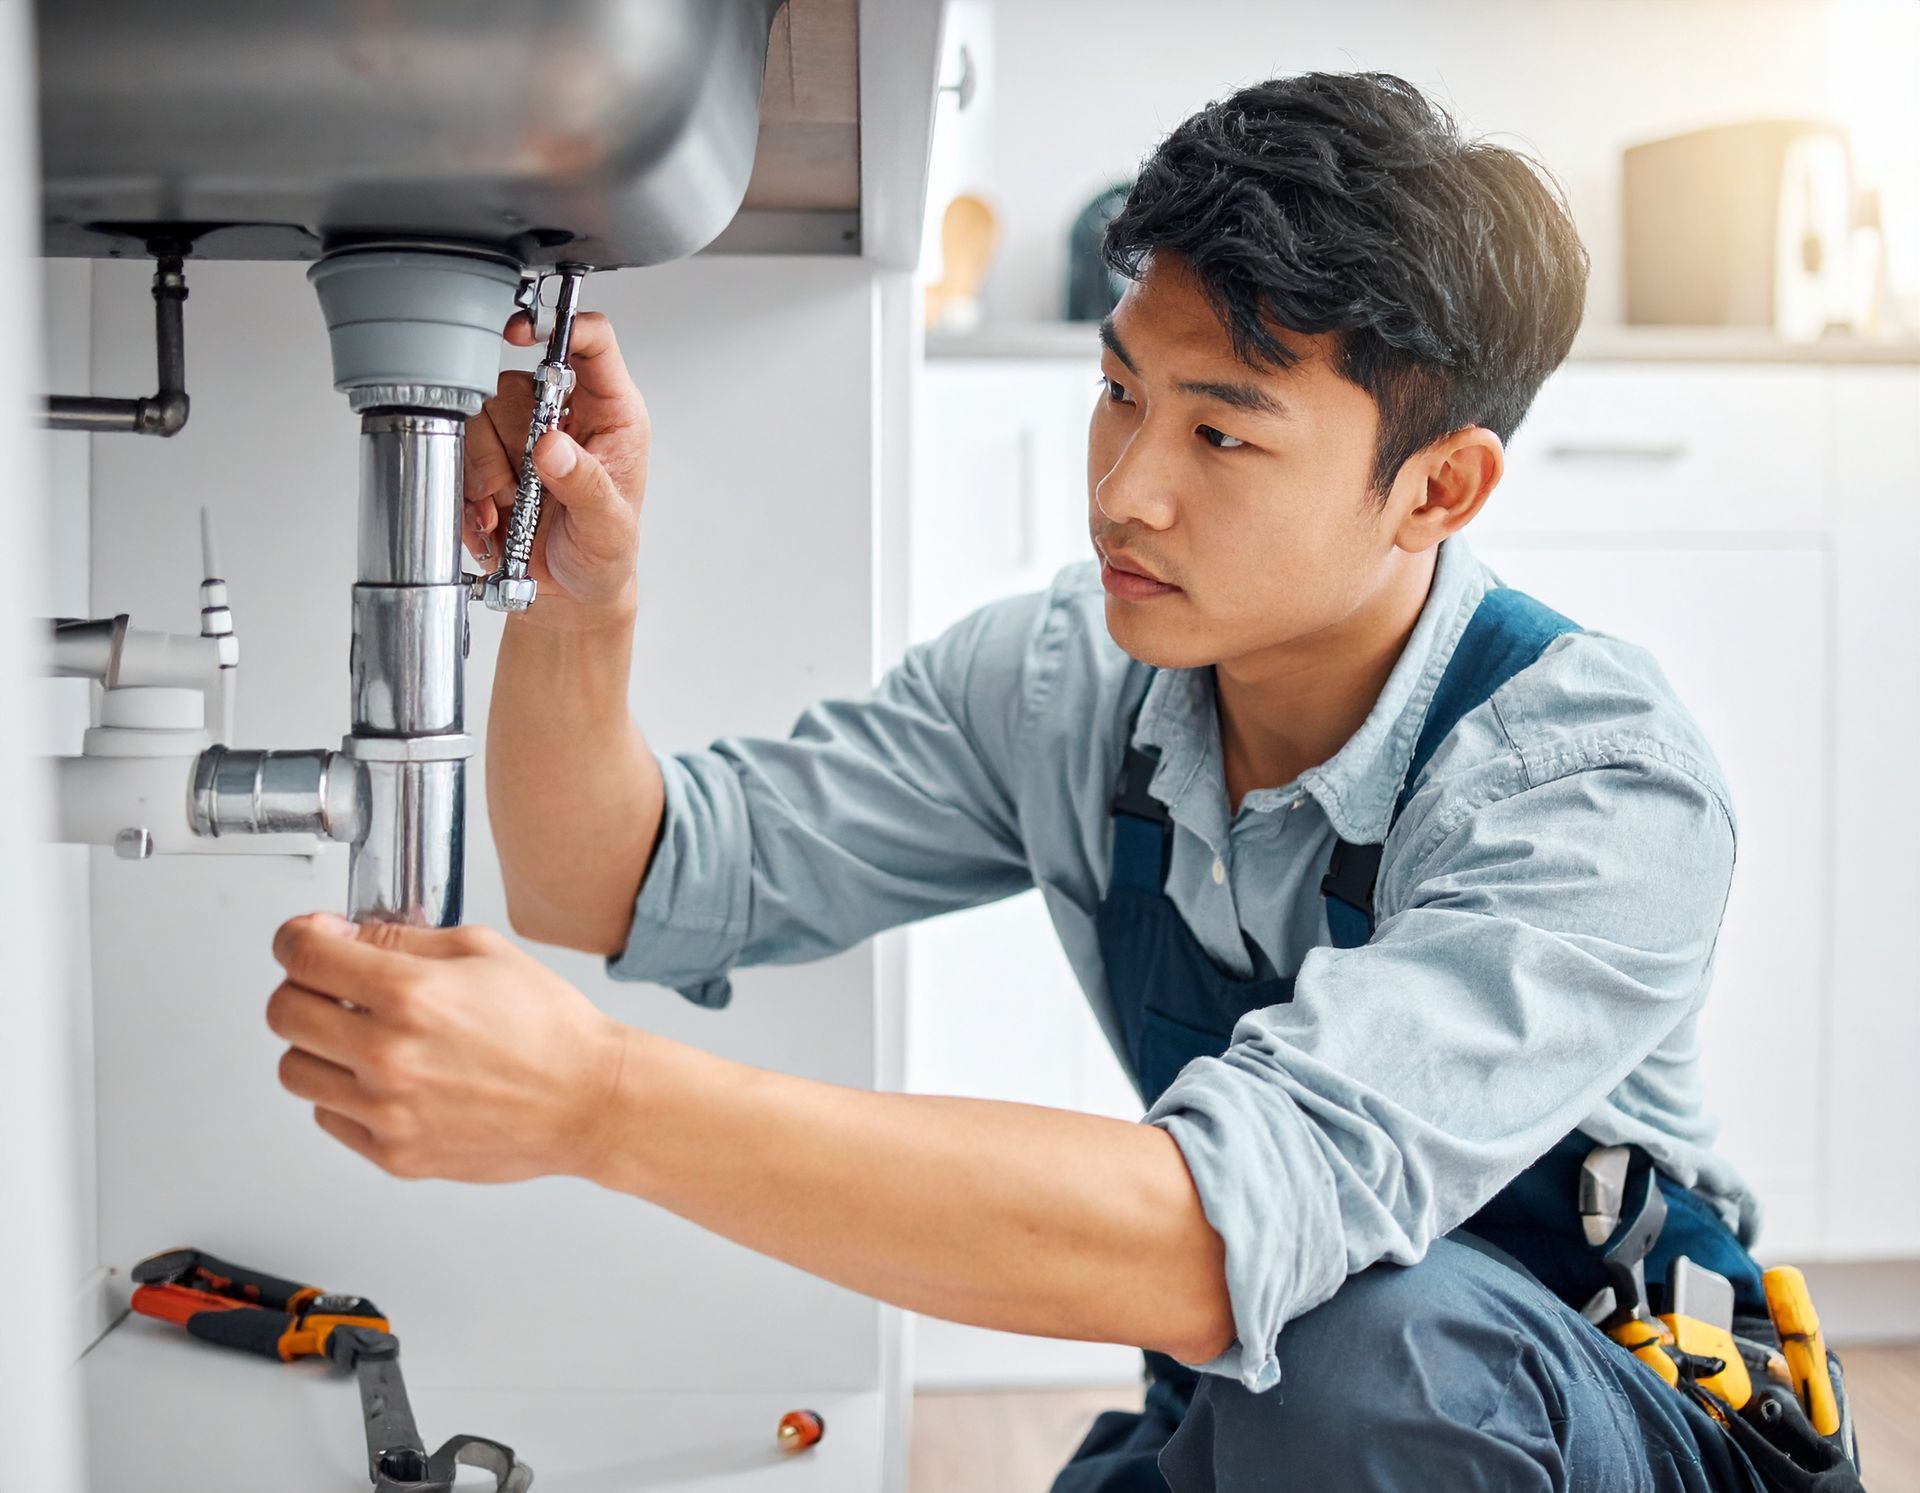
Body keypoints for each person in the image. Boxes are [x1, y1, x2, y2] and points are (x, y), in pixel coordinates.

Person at [262, 73, 1767, 1489]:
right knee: (1303, 1376)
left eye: (1220, 432)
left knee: (1373, 1353)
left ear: (1439, 487)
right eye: (1119, 392)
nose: (1125, 489)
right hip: (1251, 1401)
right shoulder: (1073, 682)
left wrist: (599, 1100)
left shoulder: (1594, 791)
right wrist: (581, 609)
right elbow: (615, 879)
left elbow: (1217, 1242)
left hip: (1608, 1415)